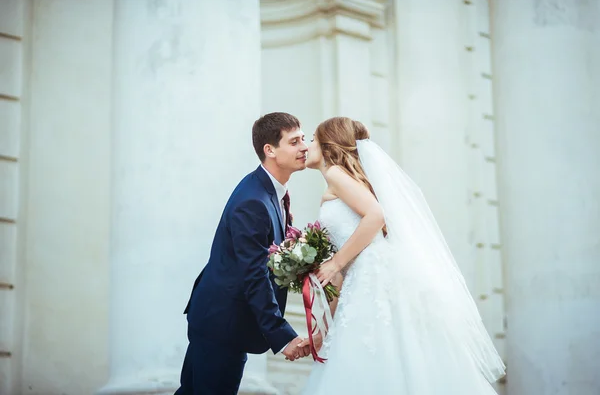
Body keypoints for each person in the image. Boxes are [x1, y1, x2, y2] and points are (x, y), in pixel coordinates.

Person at [300, 117, 506, 394]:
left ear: (328, 145)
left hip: (372, 276)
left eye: (312, 138)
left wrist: (335, 262)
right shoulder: (341, 181)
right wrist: (323, 329)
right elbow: (340, 271)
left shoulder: (336, 174)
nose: (308, 145)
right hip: (361, 278)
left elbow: (374, 216)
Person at [175, 112, 311, 395]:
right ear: (270, 150)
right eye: (294, 142)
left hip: (225, 321)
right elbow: (254, 274)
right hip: (221, 325)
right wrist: (282, 336)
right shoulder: (253, 201)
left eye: (303, 139)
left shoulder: (271, 192)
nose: (304, 147)